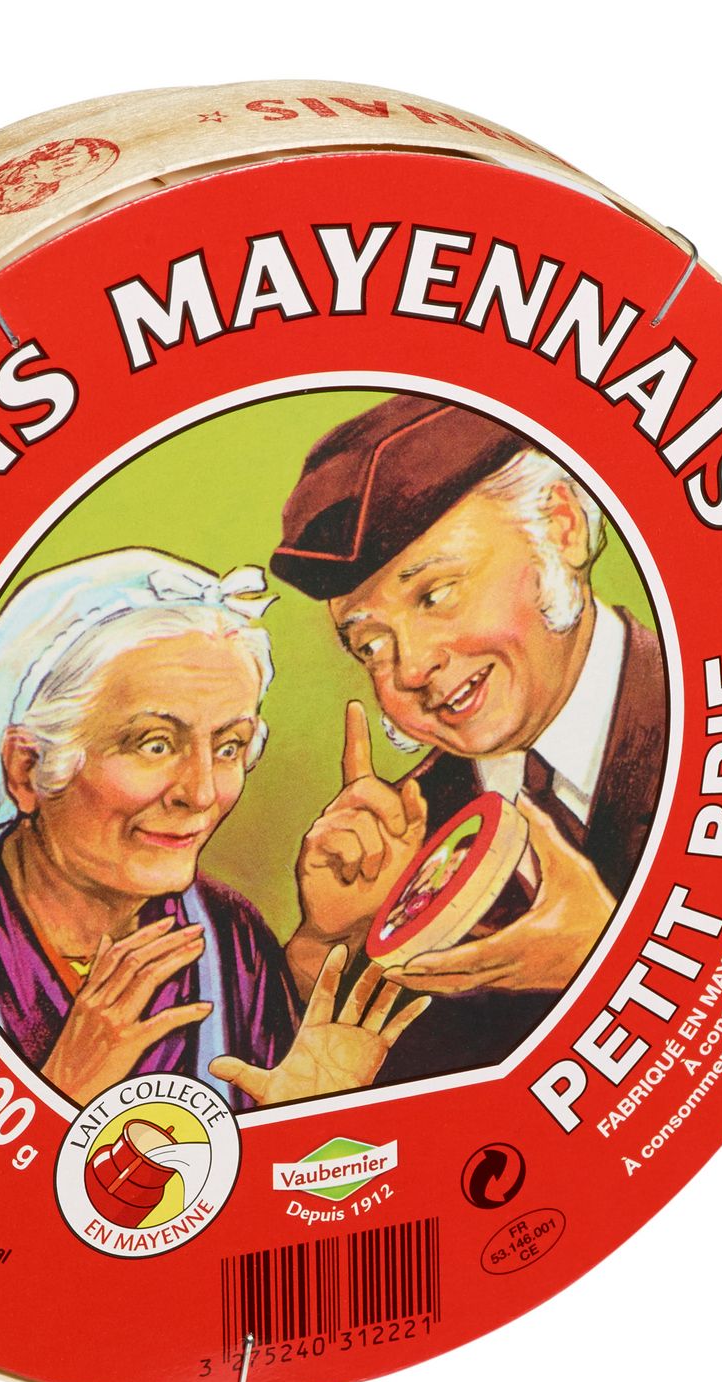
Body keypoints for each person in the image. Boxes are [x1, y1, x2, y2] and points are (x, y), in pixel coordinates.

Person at [0, 548, 428, 1108]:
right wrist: (64, 1088)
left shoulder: (231, 937)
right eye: (155, 744)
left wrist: (324, 946)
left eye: (229, 747)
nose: (200, 793)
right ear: (28, 768)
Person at [270, 395, 667, 1080]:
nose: (411, 668)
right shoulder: (405, 838)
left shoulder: (721, 729)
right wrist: (326, 950)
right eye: (371, 646)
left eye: (435, 594)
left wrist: (612, 958)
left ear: (561, 528)